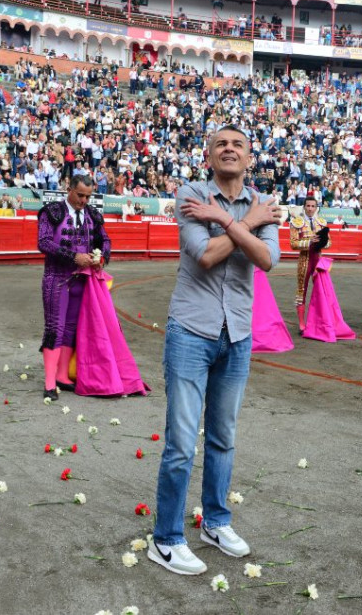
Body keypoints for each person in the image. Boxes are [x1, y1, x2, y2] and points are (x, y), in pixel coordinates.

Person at [149, 125, 281, 576]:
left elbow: (266, 261)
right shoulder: (192, 193)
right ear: (209, 156)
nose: (229, 149)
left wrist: (226, 221)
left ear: (249, 158)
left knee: (223, 438)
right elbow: (203, 255)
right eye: (220, 144)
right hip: (191, 329)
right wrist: (246, 224)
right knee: (182, 443)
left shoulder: (261, 203)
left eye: (237, 145)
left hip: (237, 333)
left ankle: (215, 522)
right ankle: (165, 539)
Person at [37, 175, 111, 400]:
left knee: (71, 327)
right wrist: (73, 257)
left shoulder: (93, 215)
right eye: (80, 195)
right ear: (69, 189)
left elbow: (105, 241)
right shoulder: (52, 211)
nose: (84, 201)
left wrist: (102, 257)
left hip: (82, 280)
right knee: (54, 327)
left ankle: (62, 375)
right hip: (56, 277)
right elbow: (44, 242)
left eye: (88, 196)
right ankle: (49, 382)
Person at [289, 197, 328, 332]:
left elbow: (329, 243)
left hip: (318, 259)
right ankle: (301, 323)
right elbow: (293, 244)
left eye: (313, 206)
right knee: (302, 291)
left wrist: (321, 242)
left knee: (322, 291)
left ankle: (320, 320)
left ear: (316, 207)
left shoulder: (321, 223)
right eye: (308, 206)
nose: (310, 208)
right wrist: (310, 241)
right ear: (304, 207)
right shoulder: (296, 222)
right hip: (305, 260)